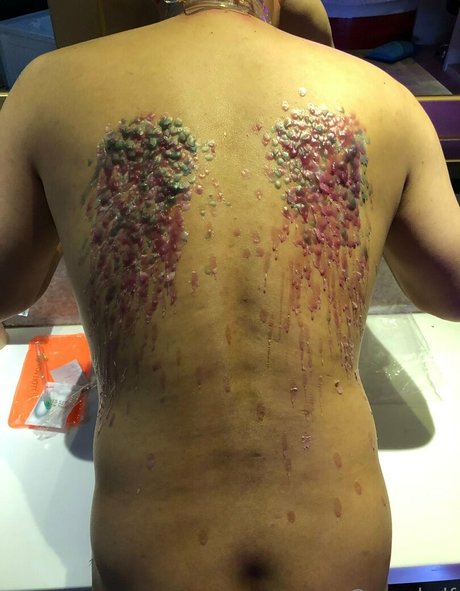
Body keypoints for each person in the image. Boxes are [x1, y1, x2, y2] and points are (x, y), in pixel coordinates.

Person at [0, 0, 459, 589]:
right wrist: (315, 38)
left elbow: (8, 287)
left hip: (149, 553)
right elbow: (449, 291)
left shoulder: (52, 85)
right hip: (339, 548)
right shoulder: (379, 95)